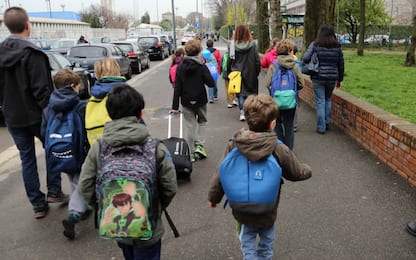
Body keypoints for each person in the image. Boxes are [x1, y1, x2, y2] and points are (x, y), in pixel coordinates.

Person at [78, 84, 177, 260]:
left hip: (118, 225)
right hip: (150, 226)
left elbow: (85, 185)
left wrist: (104, 203)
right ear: (140, 114)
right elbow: (170, 186)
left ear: (109, 114)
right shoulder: (154, 147)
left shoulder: (99, 148)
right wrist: (153, 207)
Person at [207, 94, 312, 260]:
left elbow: (220, 173)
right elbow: (296, 172)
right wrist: (308, 169)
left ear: (248, 119)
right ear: (272, 123)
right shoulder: (277, 148)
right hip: (267, 210)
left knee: (247, 241)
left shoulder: (234, 144)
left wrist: (214, 198)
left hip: (240, 209)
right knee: (267, 241)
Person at [0, 6, 67, 219]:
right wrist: (52, 113)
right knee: (53, 150)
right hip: (38, 116)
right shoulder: (33, 53)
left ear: (7, 26)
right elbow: (42, 91)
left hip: (12, 116)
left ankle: (38, 204)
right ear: (28, 25)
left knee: (26, 159)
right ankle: (54, 191)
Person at [40, 69, 92, 239]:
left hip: (59, 151)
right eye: (78, 86)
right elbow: (86, 131)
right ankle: (74, 214)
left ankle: (84, 207)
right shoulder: (80, 106)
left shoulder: (48, 108)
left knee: (73, 179)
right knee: (81, 180)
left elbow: (43, 132)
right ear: (72, 86)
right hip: (79, 152)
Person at [171, 39, 216, 162]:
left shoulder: (180, 67)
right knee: (202, 121)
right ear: (199, 51)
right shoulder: (201, 66)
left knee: (190, 126)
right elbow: (211, 83)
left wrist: (175, 107)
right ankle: (200, 145)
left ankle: (191, 152)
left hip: (186, 101)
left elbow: (177, 88)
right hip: (201, 100)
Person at [303, 24, 344, 134]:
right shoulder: (337, 47)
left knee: (320, 101)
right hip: (332, 77)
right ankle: (327, 121)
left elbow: (305, 59)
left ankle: (321, 127)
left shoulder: (315, 45)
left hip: (318, 77)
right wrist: (340, 79)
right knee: (328, 99)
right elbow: (341, 64)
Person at [264, 39, 304, 150]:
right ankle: (289, 150)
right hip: (291, 101)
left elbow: (267, 83)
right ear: (290, 51)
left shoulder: (274, 66)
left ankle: (280, 148)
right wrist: (293, 90)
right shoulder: (294, 66)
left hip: (276, 101)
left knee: (277, 125)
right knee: (289, 125)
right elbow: (302, 83)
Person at [85, 58, 128, 146]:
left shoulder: (91, 101)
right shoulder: (126, 95)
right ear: (117, 71)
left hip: (99, 154)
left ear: (97, 74)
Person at [227, 25, 261, 121]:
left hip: (236, 71)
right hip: (251, 71)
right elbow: (257, 60)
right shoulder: (253, 44)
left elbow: (230, 59)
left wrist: (229, 72)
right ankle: (250, 111)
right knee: (251, 92)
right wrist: (256, 71)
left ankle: (242, 111)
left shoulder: (232, 45)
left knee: (240, 93)